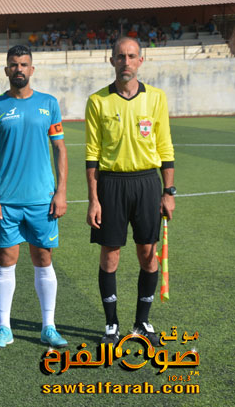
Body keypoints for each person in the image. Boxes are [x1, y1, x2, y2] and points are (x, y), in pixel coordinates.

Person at [85, 37, 175, 347]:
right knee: (110, 255)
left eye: (131, 56)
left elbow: (165, 146)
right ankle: (111, 325)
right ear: (112, 61)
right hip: (111, 184)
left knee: (148, 254)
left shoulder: (156, 98)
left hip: (147, 183)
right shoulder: (98, 101)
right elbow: (92, 154)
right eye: (121, 56)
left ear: (140, 60)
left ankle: (141, 322)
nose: (126, 61)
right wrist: (94, 199)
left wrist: (168, 191)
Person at [0, 45, 69, 349]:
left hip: (43, 200)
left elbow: (60, 149)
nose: (19, 69)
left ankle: (48, 326)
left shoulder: (48, 104)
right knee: (6, 260)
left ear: (32, 69)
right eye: (14, 64)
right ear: (7, 70)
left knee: (43, 259)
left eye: (24, 64)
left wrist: (61, 191)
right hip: (6, 201)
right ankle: (4, 328)